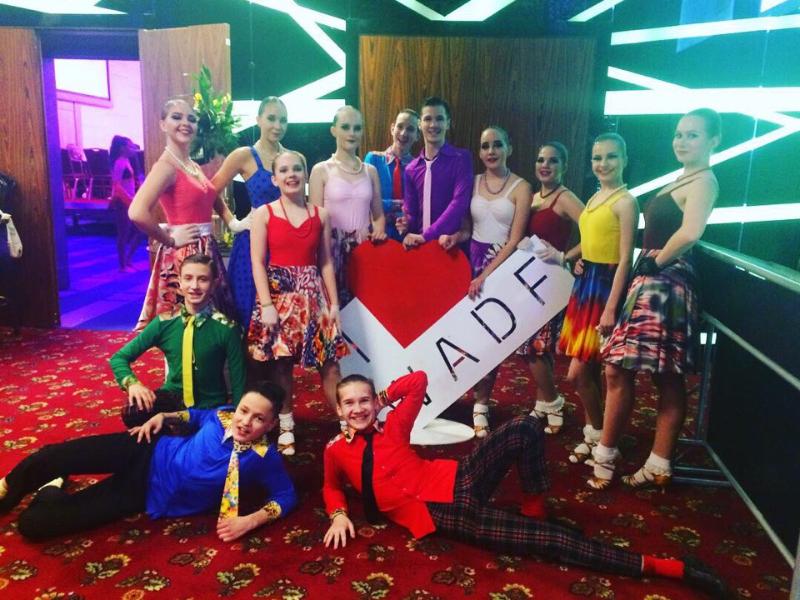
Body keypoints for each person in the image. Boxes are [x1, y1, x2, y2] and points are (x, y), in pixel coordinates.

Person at [321, 370, 733, 599]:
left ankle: (535, 508)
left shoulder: (393, 424)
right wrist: (338, 514)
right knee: (550, 542)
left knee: (525, 426)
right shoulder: (335, 450)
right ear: (338, 410)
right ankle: (673, 569)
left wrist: (384, 396)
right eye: (349, 403)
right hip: (442, 516)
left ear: (374, 402)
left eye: (364, 400)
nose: (358, 408)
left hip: (458, 476)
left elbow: (419, 380)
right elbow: (331, 487)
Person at [588, 109, 722, 490]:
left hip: (667, 282)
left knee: (658, 374)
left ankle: (650, 462)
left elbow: (692, 231)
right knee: (628, 370)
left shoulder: (705, 181)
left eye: (693, 135)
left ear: (714, 141)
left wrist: (656, 262)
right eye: (679, 134)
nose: (682, 141)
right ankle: (632, 458)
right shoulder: (685, 178)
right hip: (653, 278)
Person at [0, 382, 296, 543]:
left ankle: (50, 489)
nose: (245, 422)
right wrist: (164, 417)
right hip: (144, 449)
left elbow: (286, 495)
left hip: (144, 492)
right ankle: (7, 490)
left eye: (259, 418)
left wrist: (250, 520)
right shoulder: (224, 415)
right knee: (53, 456)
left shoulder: (264, 457)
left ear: (271, 425)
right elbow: (195, 416)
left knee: (34, 525)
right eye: (244, 410)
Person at [248, 150, 349, 456]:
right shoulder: (264, 214)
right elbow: (257, 262)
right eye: (283, 170)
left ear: (305, 174)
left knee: (330, 364)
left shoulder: (321, 215)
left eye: (296, 169)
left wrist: (333, 304)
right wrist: (266, 305)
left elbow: (326, 262)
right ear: (274, 179)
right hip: (278, 296)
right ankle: (286, 425)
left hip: (313, 295)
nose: (291, 174)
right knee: (281, 365)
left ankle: (347, 422)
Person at [545, 133, 637, 467]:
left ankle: (602, 437)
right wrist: (579, 258)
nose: (603, 163)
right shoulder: (596, 197)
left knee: (578, 373)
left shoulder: (626, 202)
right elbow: (592, 239)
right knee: (587, 372)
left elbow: (625, 258)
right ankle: (594, 433)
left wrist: (612, 306)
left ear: (624, 159)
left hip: (606, 289)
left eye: (611, 156)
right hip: (586, 284)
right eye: (597, 158)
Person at [438, 126, 531, 437]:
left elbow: (515, 240)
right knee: (462, 336)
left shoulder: (521, 187)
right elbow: (467, 228)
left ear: (509, 148)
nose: (491, 151)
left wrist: (486, 275)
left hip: (500, 265)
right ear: (479, 152)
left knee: (490, 338)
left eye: (497, 145)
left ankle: (481, 406)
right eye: (485, 146)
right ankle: (450, 395)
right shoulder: (474, 181)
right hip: (470, 264)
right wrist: (455, 237)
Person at [128, 97, 243, 331]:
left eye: (191, 119)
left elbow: (211, 195)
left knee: (210, 326)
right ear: (163, 124)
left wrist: (233, 222)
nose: (185, 123)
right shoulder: (166, 167)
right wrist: (169, 239)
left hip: (205, 249)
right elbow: (136, 211)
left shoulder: (190, 164)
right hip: (185, 255)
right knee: (185, 326)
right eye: (176, 117)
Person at [109, 253, 246, 427]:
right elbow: (118, 358)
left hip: (209, 406)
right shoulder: (163, 323)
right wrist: (132, 384)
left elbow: (239, 382)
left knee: (213, 430)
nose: (194, 286)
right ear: (179, 282)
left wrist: (237, 419)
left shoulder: (227, 328)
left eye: (203, 279)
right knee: (133, 412)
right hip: (172, 399)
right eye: (188, 278)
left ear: (214, 283)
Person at [517, 142, 584, 434]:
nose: (545, 165)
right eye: (541, 159)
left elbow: (597, 234)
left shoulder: (565, 198)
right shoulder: (532, 198)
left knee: (535, 347)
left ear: (564, 166)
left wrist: (566, 256)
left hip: (551, 281)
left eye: (553, 161)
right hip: (528, 281)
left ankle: (554, 402)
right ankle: (542, 402)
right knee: (536, 347)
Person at [211, 96, 288, 330]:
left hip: (284, 245)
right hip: (251, 243)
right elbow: (210, 191)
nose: (277, 125)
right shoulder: (244, 155)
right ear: (258, 120)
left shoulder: (291, 158)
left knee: (281, 312)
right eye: (271, 118)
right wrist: (233, 222)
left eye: (283, 120)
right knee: (247, 310)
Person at [309, 105, 386, 306]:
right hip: (331, 251)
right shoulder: (320, 170)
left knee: (366, 310)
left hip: (365, 251)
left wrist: (379, 231)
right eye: (345, 127)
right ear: (333, 130)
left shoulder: (371, 171)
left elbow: (378, 215)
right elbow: (314, 219)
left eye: (357, 128)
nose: (352, 133)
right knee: (334, 312)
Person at [401, 97, 472, 249]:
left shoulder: (461, 159)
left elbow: (459, 204)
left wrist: (425, 236)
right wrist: (405, 223)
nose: (433, 125)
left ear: (448, 123)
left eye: (439, 119)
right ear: (420, 124)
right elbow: (412, 214)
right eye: (428, 119)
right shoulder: (410, 169)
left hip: (450, 248)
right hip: (419, 249)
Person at [364, 109, 420, 240]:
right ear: (392, 128)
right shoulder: (373, 159)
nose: (403, 133)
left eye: (410, 129)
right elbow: (365, 200)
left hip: (407, 238)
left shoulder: (419, 167)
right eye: (400, 126)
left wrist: (383, 205)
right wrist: (400, 204)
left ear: (418, 136)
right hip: (376, 235)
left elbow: (418, 207)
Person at [108, 135, 145, 271]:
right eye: (130, 146)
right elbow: (117, 186)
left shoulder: (127, 161)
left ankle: (127, 260)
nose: (133, 148)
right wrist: (129, 199)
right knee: (123, 234)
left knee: (140, 231)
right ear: (122, 148)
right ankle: (123, 265)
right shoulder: (119, 163)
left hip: (130, 200)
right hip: (123, 202)